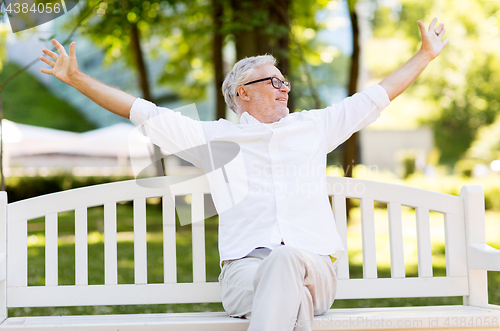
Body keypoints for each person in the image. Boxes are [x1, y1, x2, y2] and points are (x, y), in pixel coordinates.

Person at [40, 18, 448, 331]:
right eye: (273, 81)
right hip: (245, 274)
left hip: (313, 269)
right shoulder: (214, 138)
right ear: (242, 94)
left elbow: (376, 96)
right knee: (292, 300)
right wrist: (75, 78)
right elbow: (139, 111)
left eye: (285, 81)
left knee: (288, 261)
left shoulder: (313, 126)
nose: (285, 87)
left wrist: (425, 55)